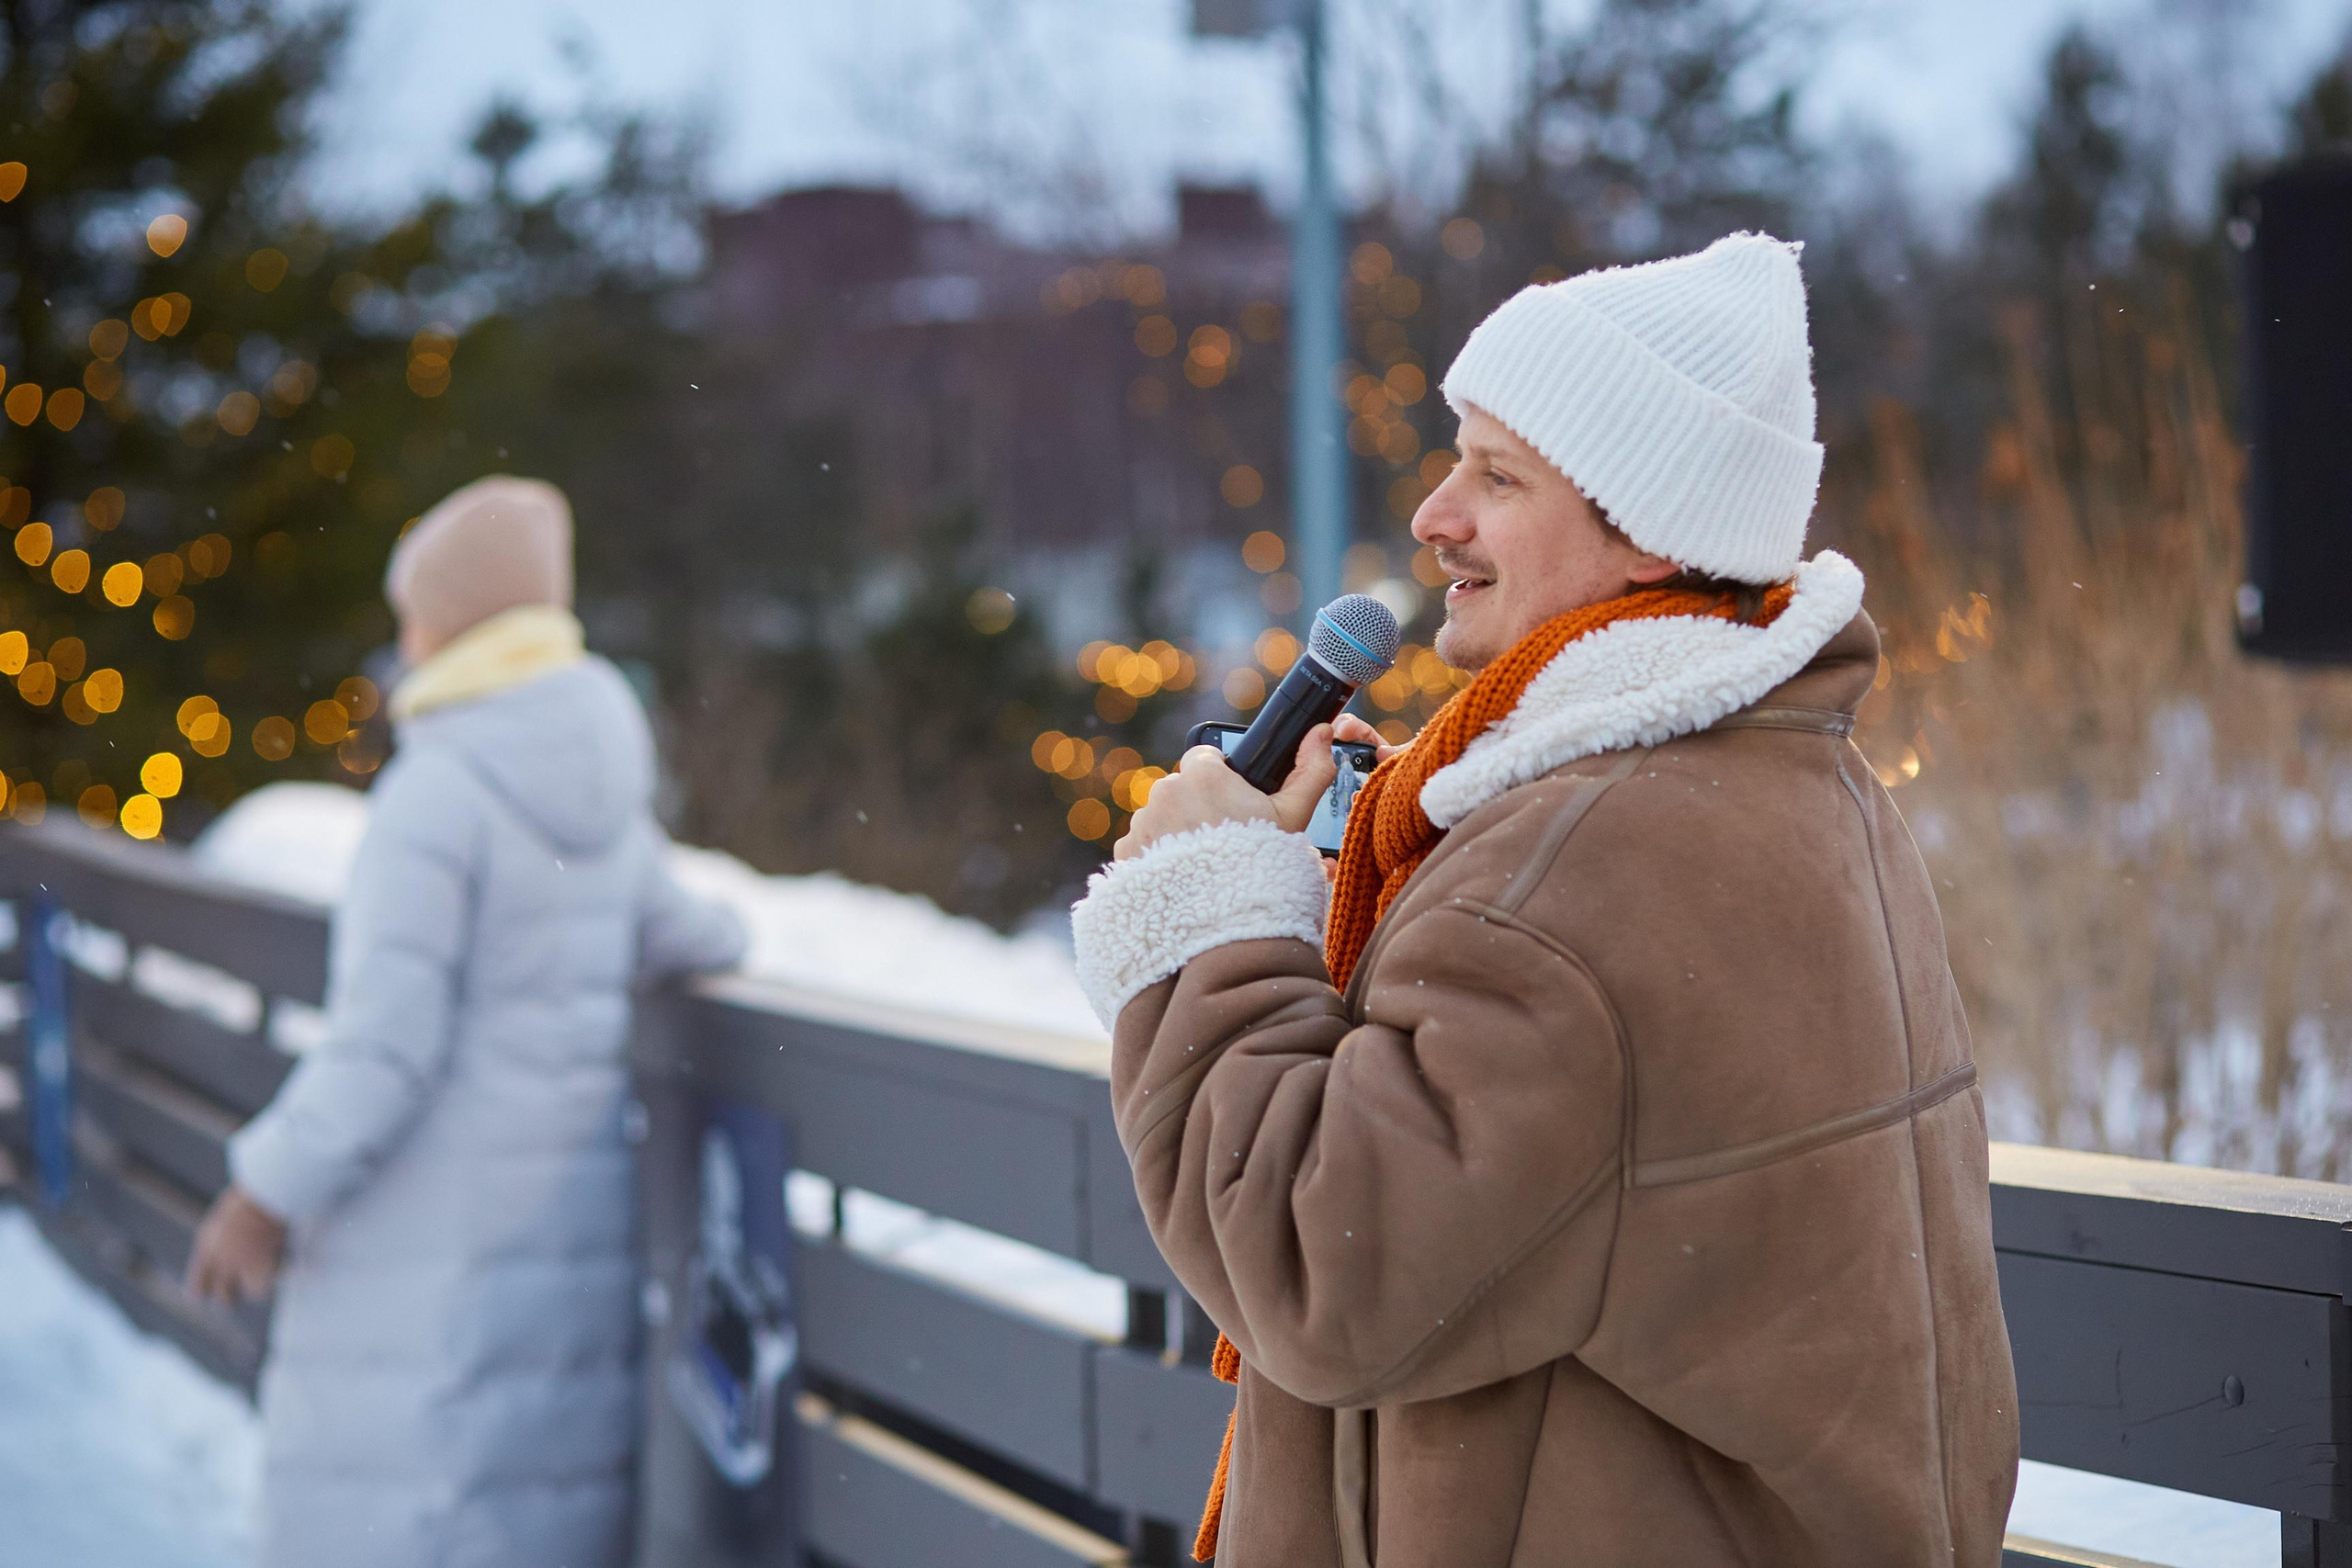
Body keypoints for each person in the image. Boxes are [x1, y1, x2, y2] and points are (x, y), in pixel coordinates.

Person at [1072, 234, 2018, 1566]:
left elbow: (1321, 1260)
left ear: (1649, 534)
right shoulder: (1791, 785)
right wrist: (1375, 889)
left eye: (1497, 474)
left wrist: (1211, 914)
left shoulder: (1585, 863)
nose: (1434, 514)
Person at [187, 476, 748, 1568]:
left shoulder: (435, 795)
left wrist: (261, 1194)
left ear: (452, 628)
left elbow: (382, 1052)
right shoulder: (603, 791)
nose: (403, 643)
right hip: (561, 1243)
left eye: (413, 616)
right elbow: (692, 935)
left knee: (408, 1519)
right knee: (528, 1516)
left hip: (423, 1256)